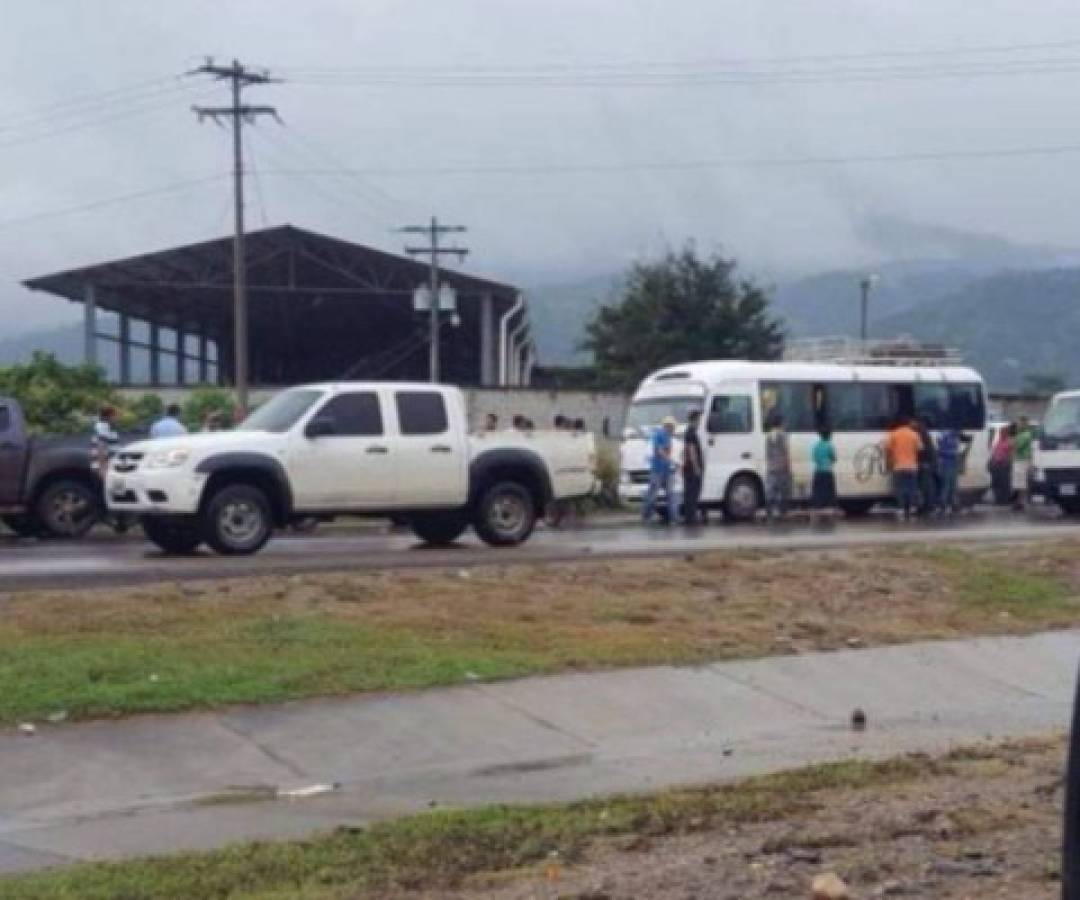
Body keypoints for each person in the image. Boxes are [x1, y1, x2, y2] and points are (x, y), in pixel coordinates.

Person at [885, 416, 922, 520]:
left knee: (899, 488)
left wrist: (890, 461)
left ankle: (900, 508)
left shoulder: (894, 434)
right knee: (912, 488)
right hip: (912, 466)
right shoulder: (914, 434)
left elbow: (887, 448)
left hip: (898, 466)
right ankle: (912, 507)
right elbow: (920, 448)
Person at [642, 415, 677, 524]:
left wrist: (671, 461)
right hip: (658, 469)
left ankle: (673, 518)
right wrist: (669, 459)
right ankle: (647, 516)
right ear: (667, 426)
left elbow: (668, 451)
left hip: (666, 469)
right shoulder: (658, 435)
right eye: (671, 427)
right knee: (653, 495)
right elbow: (658, 450)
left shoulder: (668, 437)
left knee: (670, 494)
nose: (673, 429)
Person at [936, 427, 971, 515]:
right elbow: (941, 451)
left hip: (952, 463)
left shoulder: (952, 436)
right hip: (947, 463)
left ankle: (952, 504)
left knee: (952, 485)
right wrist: (954, 454)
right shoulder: (945, 436)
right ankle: (943, 505)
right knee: (947, 485)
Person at [764, 414, 792, 522]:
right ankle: (782, 512)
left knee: (771, 490)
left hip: (771, 466)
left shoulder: (769, 436)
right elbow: (786, 451)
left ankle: (769, 512)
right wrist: (788, 465)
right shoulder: (783, 435)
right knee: (783, 490)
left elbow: (768, 453)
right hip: (782, 466)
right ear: (781, 423)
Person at [681, 410, 704, 525]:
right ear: (695, 419)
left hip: (688, 468)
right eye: (699, 419)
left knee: (690, 492)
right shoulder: (691, 433)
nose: (700, 421)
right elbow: (691, 450)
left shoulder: (689, 432)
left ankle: (690, 515)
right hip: (691, 468)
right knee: (692, 493)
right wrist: (696, 467)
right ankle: (691, 517)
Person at [913, 417, 938, 515]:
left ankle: (927, 507)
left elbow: (922, 450)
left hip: (925, 463)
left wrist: (923, 463)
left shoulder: (920, 434)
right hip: (927, 462)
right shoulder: (924, 433)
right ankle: (927, 506)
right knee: (926, 486)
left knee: (925, 486)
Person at [810, 428, 837, 518]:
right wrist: (829, 462)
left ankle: (817, 506)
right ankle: (829, 506)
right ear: (829, 436)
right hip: (828, 470)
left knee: (818, 490)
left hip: (818, 470)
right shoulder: (830, 445)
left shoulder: (816, 445)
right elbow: (834, 458)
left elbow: (814, 458)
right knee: (829, 489)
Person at [91, 405, 120, 477]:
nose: (117, 418)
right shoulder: (103, 426)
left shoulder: (109, 427)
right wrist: (103, 468)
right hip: (104, 466)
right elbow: (101, 447)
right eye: (115, 415)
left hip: (109, 465)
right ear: (109, 416)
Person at [989, 424, 1015, 505]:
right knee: (996, 482)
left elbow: (1011, 453)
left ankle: (1005, 499)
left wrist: (1008, 462)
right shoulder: (998, 441)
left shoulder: (1010, 441)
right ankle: (998, 499)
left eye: (1004, 432)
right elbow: (994, 452)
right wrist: (992, 460)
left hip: (1004, 464)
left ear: (1007, 433)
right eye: (1001, 432)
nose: (1002, 433)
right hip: (996, 464)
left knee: (1005, 483)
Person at [1013, 416, 1034, 510]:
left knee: (1021, 482)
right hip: (1018, 460)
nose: (1018, 425)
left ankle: (1021, 502)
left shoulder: (1026, 435)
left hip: (1022, 460)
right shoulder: (1020, 434)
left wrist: (1013, 443)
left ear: (1024, 424)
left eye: (1020, 423)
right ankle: (1019, 502)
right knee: (1018, 482)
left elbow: (1017, 446)